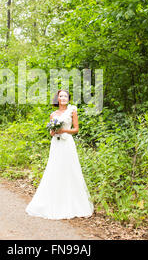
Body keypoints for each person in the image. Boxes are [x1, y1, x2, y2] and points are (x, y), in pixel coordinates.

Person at [25, 90, 94, 220]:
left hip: (67, 143)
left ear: (68, 98)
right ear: (57, 99)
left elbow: (76, 129)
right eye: (61, 96)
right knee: (55, 170)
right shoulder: (53, 114)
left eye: (65, 96)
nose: (63, 98)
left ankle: (73, 203)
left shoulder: (72, 110)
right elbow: (52, 131)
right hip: (56, 145)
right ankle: (53, 201)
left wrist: (63, 130)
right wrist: (53, 131)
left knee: (70, 170)